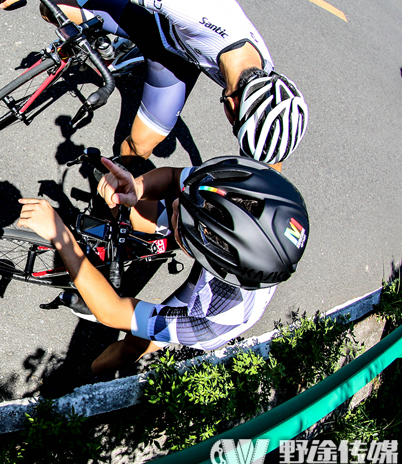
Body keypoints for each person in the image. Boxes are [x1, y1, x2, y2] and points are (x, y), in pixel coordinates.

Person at [0, 0, 308, 173]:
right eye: (235, 124)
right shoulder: (199, 14)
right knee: (52, 6)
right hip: (158, 22)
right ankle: (103, 44)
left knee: (137, 149)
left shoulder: (266, 87)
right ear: (233, 103)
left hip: (178, 61)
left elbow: (270, 157)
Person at [17, 156, 309, 376]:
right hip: (227, 267)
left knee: (135, 342)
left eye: (178, 219)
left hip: (208, 308)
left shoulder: (214, 320)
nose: (173, 204)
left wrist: (62, 237)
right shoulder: (229, 182)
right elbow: (172, 179)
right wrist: (137, 187)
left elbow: (113, 312)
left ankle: (83, 376)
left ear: (202, 251)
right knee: (142, 214)